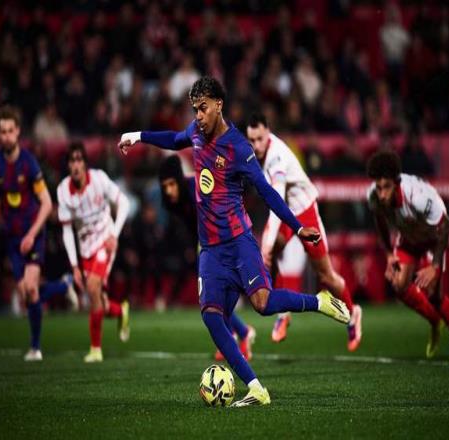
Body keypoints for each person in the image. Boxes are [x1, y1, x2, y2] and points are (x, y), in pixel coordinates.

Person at [118, 76, 350, 407]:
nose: (198, 116)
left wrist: (298, 228)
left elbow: (267, 191)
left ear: (219, 105)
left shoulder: (239, 148)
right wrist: (138, 135)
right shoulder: (196, 133)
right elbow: (174, 139)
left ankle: (319, 301)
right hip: (210, 250)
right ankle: (256, 388)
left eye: (203, 108)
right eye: (195, 109)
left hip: (239, 241)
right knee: (212, 316)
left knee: (263, 304)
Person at [246, 112, 362, 351]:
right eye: (252, 140)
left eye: (259, 139)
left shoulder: (277, 157)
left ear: (268, 132)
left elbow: (276, 199)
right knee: (270, 253)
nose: (256, 145)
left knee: (326, 276)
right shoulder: (257, 154)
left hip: (304, 211)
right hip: (286, 213)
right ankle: (283, 313)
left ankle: (353, 314)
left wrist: (266, 245)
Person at [0, 105, 77, 361]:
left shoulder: (29, 164)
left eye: (10, 130)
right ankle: (63, 285)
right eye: (2, 131)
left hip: (33, 234)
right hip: (12, 238)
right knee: (26, 292)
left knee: (31, 289)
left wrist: (32, 234)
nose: (6, 136)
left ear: (18, 131)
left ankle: (35, 347)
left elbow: (46, 203)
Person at [366, 150, 449, 365]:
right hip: (409, 237)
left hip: (432, 238)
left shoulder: (417, 197)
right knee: (399, 284)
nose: (382, 193)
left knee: (434, 295)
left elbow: (445, 226)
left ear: (396, 182)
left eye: (386, 187)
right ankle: (435, 321)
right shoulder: (374, 196)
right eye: (379, 187)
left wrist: (434, 265)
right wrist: (389, 254)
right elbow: (380, 222)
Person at [159, 155, 256, 361]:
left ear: (179, 180)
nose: (168, 190)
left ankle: (236, 336)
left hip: (224, 237)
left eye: (171, 184)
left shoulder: (196, 189)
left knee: (215, 297)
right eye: (164, 186)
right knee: (213, 298)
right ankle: (240, 333)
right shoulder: (170, 202)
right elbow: (190, 224)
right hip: (205, 242)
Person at [57, 142, 130, 363]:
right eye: (72, 161)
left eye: (79, 160)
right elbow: (67, 231)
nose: (76, 165)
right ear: (68, 166)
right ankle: (120, 311)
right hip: (85, 250)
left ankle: (96, 349)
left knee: (92, 286)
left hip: (105, 241)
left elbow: (124, 203)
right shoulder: (63, 191)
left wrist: (114, 235)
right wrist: (74, 266)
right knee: (97, 299)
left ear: (85, 164)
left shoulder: (99, 179)